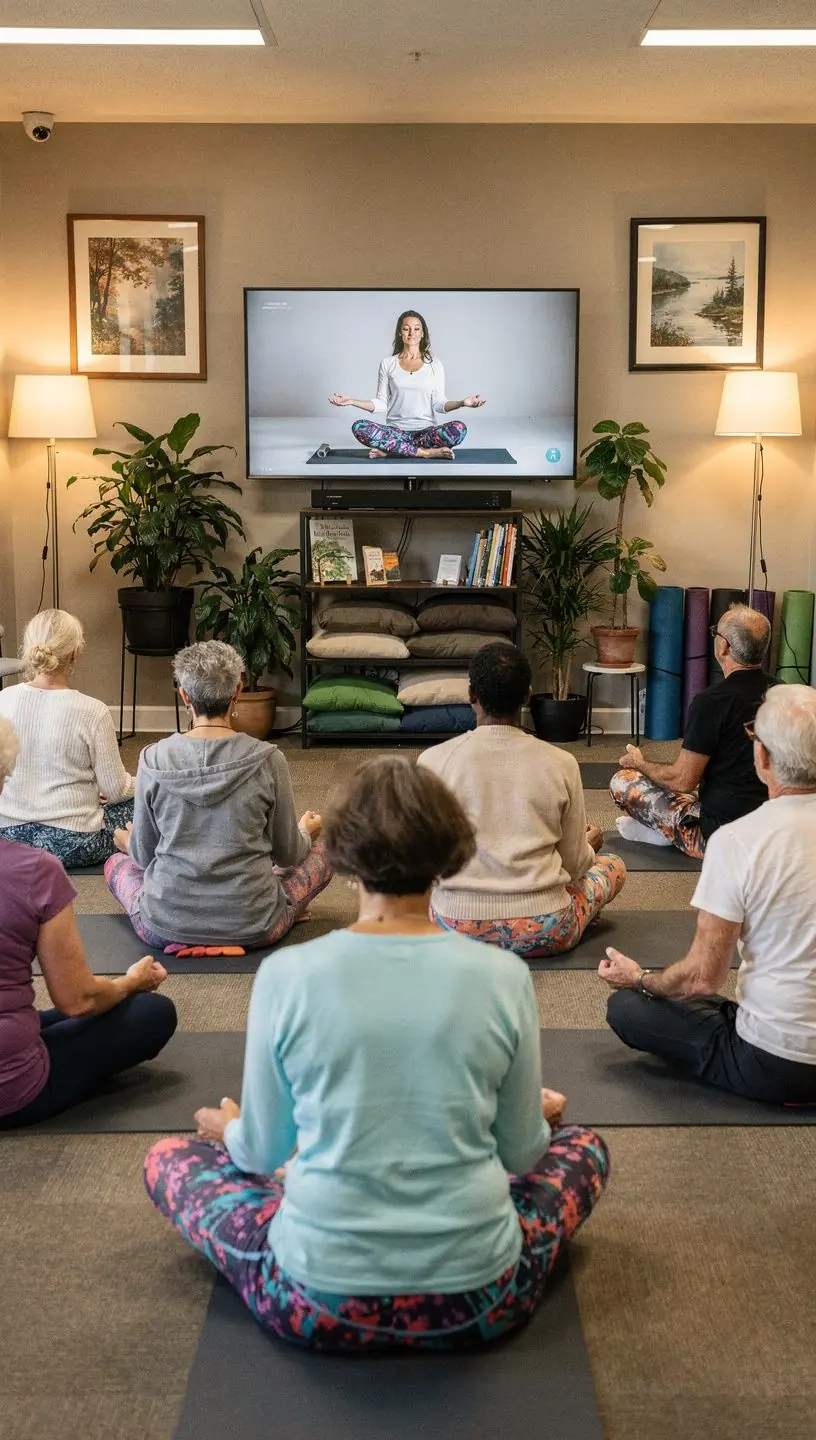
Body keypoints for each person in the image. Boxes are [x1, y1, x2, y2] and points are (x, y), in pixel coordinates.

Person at [144, 756, 609, 1352]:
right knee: (585, 1148)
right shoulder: (503, 974)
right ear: (449, 853)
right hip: (482, 1301)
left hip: (313, 1302)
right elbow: (523, 1154)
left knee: (169, 1157)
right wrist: (521, 1117)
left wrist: (234, 1128)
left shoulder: (287, 974)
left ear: (341, 855)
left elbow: (261, 1150)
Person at [599, 684, 816, 1105]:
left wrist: (641, 979)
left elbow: (702, 978)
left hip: (776, 1064)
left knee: (628, 1008)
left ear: (764, 758)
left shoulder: (738, 841)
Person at [0, 715, 176, 1129]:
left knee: (42, 1019)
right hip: (13, 1088)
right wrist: (130, 982)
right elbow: (77, 1000)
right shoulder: (33, 872)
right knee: (151, 1012)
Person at [106, 640, 331, 951]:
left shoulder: (151, 757)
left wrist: (129, 843)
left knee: (116, 863)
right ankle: (287, 908)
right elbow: (288, 854)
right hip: (256, 926)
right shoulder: (269, 759)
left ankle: (188, 930)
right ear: (237, 691)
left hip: (164, 926)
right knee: (327, 849)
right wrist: (305, 831)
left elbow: (143, 858)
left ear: (184, 695)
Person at [418, 643, 626, 958]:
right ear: (528, 694)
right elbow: (573, 865)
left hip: (453, 927)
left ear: (472, 695)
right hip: (547, 926)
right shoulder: (561, 762)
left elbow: (424, 859)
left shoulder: (432, 761)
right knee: (613, 866)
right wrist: (589, 846)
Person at [610, 603, 779, 859]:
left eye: (715, 632)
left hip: (724, 836)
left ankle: (672, 833)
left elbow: (683, 781)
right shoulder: (785, 692)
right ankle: (667, 831)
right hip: (775, 831)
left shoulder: (712, 701)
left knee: (622, 781)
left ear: (723, 646)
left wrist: (640, 763)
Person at [0, 609, 135, 867]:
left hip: (8, 840)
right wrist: (146, 782)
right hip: (75, 843)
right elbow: (116, 790)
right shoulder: (94, 711)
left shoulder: (2, 700)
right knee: (146, 801)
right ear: (75, 652)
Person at [329, 309, 486, 460]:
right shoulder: (388, 363)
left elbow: (439, 404)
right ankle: (426, 453)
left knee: (459, 429)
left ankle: (393, 451)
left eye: (416, 329)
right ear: (400, 332)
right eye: (406, 329)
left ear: (423, 333)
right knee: (359, 427)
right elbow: (381, 404)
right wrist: (351, 401)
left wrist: (462, 403)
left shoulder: (435, 365)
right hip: (395, 432)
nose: (412, 333)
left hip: (426, 433)